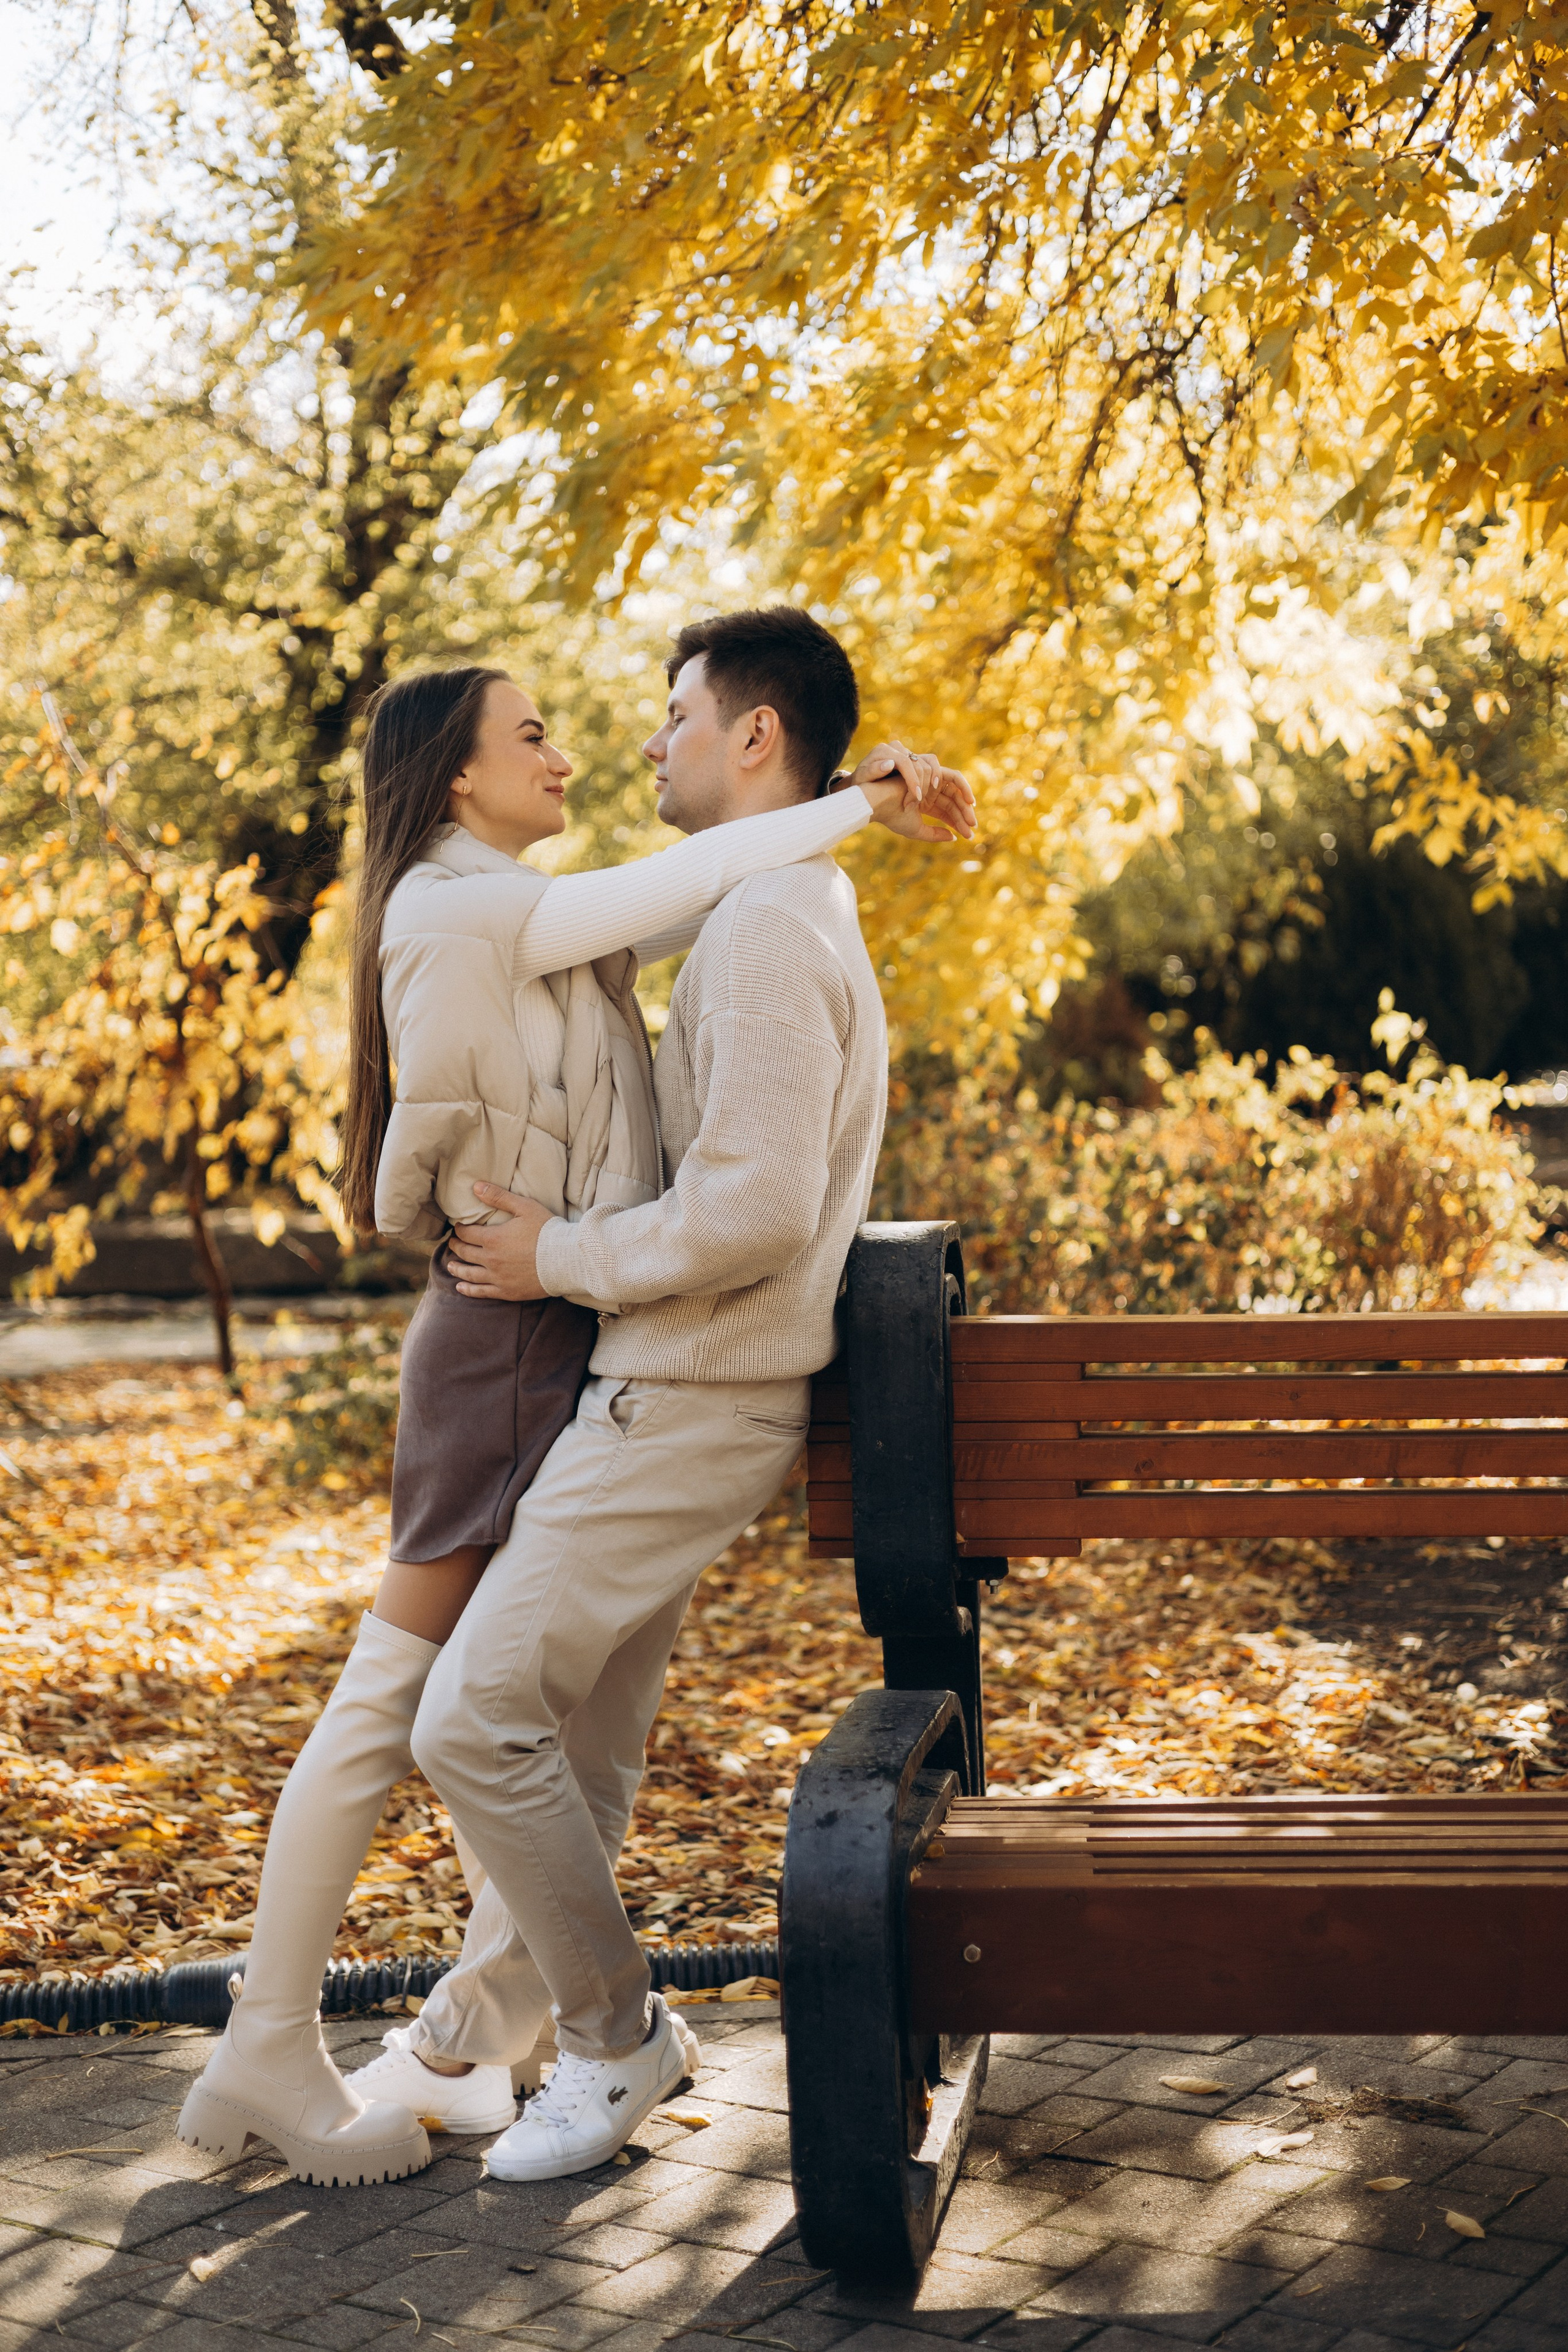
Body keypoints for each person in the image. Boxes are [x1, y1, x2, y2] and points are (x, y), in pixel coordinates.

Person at [176, 651, 973, 2187]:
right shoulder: (468, 903)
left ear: (744, 731)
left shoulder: (702, 920)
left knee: (519, 1728)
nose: (599, 744)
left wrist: (853, 798)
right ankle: (368, 2036)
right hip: (535, 1345)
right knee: (441, 1712)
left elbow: (702, 901)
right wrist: (853, 801)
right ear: (459, 777)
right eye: (531, 731)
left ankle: (514, 2037)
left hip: (616, 1351)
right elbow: (686, 878)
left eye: (668, 715)